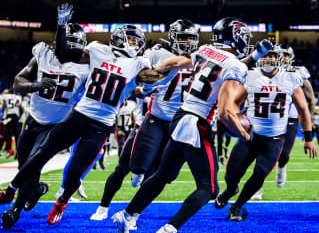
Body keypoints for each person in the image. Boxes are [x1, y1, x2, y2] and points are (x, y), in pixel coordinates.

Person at [0, 3, 172, 229]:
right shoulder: (97, 50)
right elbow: (63, 53)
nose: (135, 44)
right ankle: (10, 192)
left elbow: (155, 77)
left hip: (101, 126)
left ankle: (61, 202)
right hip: (79, 116)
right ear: (119, 38)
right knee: (40, 156)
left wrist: (175, 61)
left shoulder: (138, 63)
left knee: (74, 172)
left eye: (137, 41)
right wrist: (61, 25)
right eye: (131, 39)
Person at [112, 17, 272, 233]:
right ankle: (170, 228)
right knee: (209, 188)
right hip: (197, 122)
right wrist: (243, 134)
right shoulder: (234, 66)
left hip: (180, 116)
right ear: (235, 38)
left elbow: (172, 63)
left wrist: (156, 74)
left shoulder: (205, 50)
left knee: (163, 175)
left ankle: (127, 214)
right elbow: (225, 112)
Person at [0, 20, 90, 230]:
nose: (68, 47)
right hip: (32, 120)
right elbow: (17, 82)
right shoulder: (43, 54)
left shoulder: (86, 67)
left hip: (56, 125)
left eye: (73, 43)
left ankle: (15, 210)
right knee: (25, 167)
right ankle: (37, 189)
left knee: (33, 163)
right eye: (66, 42)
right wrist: (36, 85)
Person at [214, 45, 318, 221]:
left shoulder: (291, 78)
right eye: (265, 56)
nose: (268, 59)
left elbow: (303, 110)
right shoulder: (251, 75)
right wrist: (238, 120)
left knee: (259, 174)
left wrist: (308, 138)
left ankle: (237, 206)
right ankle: (231, 189)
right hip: (250, 135)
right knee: (231, 172)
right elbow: (234, 102)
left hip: (274, 139)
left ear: (279, 58)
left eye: (272, 56)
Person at [128, 19, 198, 188]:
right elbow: (135, 78)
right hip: (157, 116)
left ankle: (138, 206)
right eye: (184, 37)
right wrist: (144, 88)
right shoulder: (157, 53)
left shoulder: (200, 58)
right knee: (138, 165)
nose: (188, 42)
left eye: (191, 38)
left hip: (182, 122)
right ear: (173, 36)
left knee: (165, 173)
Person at [89, 87, 151, 227]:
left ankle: (133, 214)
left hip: (169, 130)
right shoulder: (153, 73)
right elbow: (136, 88)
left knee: (155, 176)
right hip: (143, 127)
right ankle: (103, 208)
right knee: (121, 168)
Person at [273, 43, 316, 188]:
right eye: (282, 54)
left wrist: (307, 125)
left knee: (284, 154)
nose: (284, 57)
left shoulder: (298, 71)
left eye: (286, 54)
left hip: (290, 118)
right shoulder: (267, 70)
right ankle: (257, 186)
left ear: (291, 57)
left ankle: (281, 168)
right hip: (271, 117)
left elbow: (310, 98)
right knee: (264, 154)